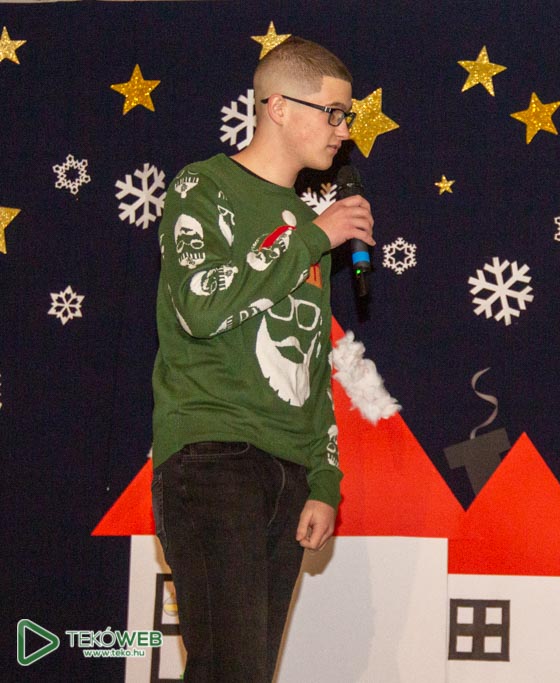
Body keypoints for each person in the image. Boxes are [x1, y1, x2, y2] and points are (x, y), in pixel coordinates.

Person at [150, 37, 374, 682]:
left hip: (289, 470)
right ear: (278, 107)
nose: (344, 131)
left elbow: (309, 360)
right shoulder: (204, 185)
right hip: (213, 455)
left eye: (347, 116)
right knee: (231, 670)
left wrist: (324, 480)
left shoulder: (305, 223)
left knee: (244, 672)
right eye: (333, 113)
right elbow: (200, 306)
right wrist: (311, 237)